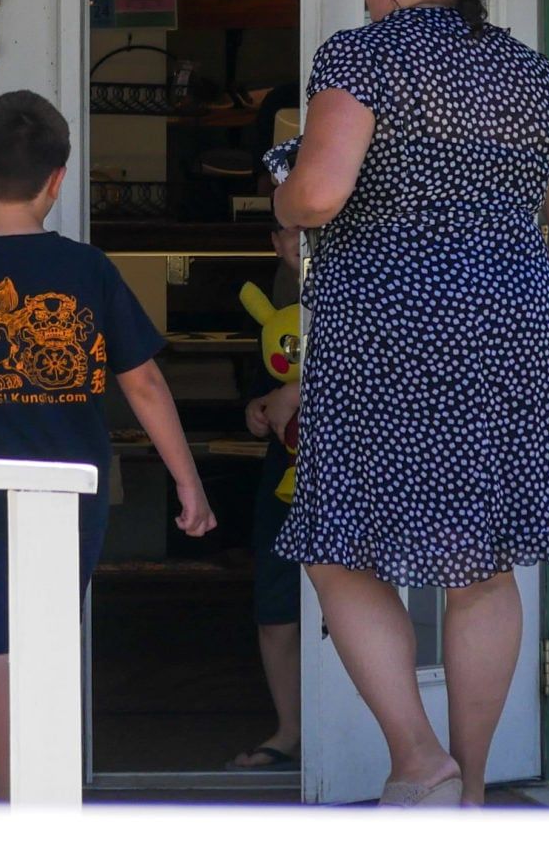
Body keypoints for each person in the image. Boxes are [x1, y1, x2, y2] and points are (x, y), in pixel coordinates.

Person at [266, 0, 549, 808]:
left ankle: (418, 757)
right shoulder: (533, 74)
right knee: (482, 561)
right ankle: (468, 793)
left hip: (387, 334)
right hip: (514, 331)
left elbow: (319, 195)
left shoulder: (364, 57)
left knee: (339, 544)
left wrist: (282, 196)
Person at [0, 88, 217, 799]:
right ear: (58, 178)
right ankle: (54, 796)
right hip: (74, 489)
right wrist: (188, 481)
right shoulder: (90, 271)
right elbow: (147, 386)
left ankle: (19, 813)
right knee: (50, 638)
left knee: (0, 651)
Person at [226, 222, 304, 774]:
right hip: (283, 480)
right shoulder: (275, 305)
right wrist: (258, 408)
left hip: (356, 476)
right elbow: (262, 388)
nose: (297, 241)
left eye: (308, 230)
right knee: (277, 611)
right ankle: (291, 729)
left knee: (357, 605)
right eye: (286, 232)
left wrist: (300, 391)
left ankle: (368, 730)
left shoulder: (371, 285)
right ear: (275, 243)